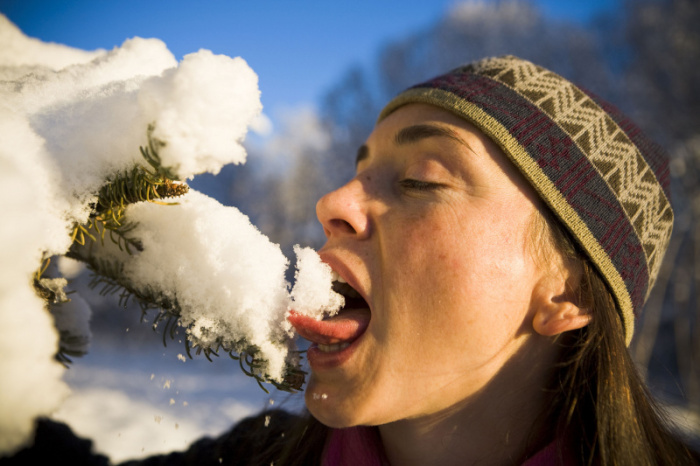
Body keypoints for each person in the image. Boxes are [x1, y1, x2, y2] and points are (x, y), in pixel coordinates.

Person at [3, 55, 697, 466]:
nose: (332, 202)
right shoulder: (257, 460)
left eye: (422, 179)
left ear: (567, 292)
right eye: (358, 168)